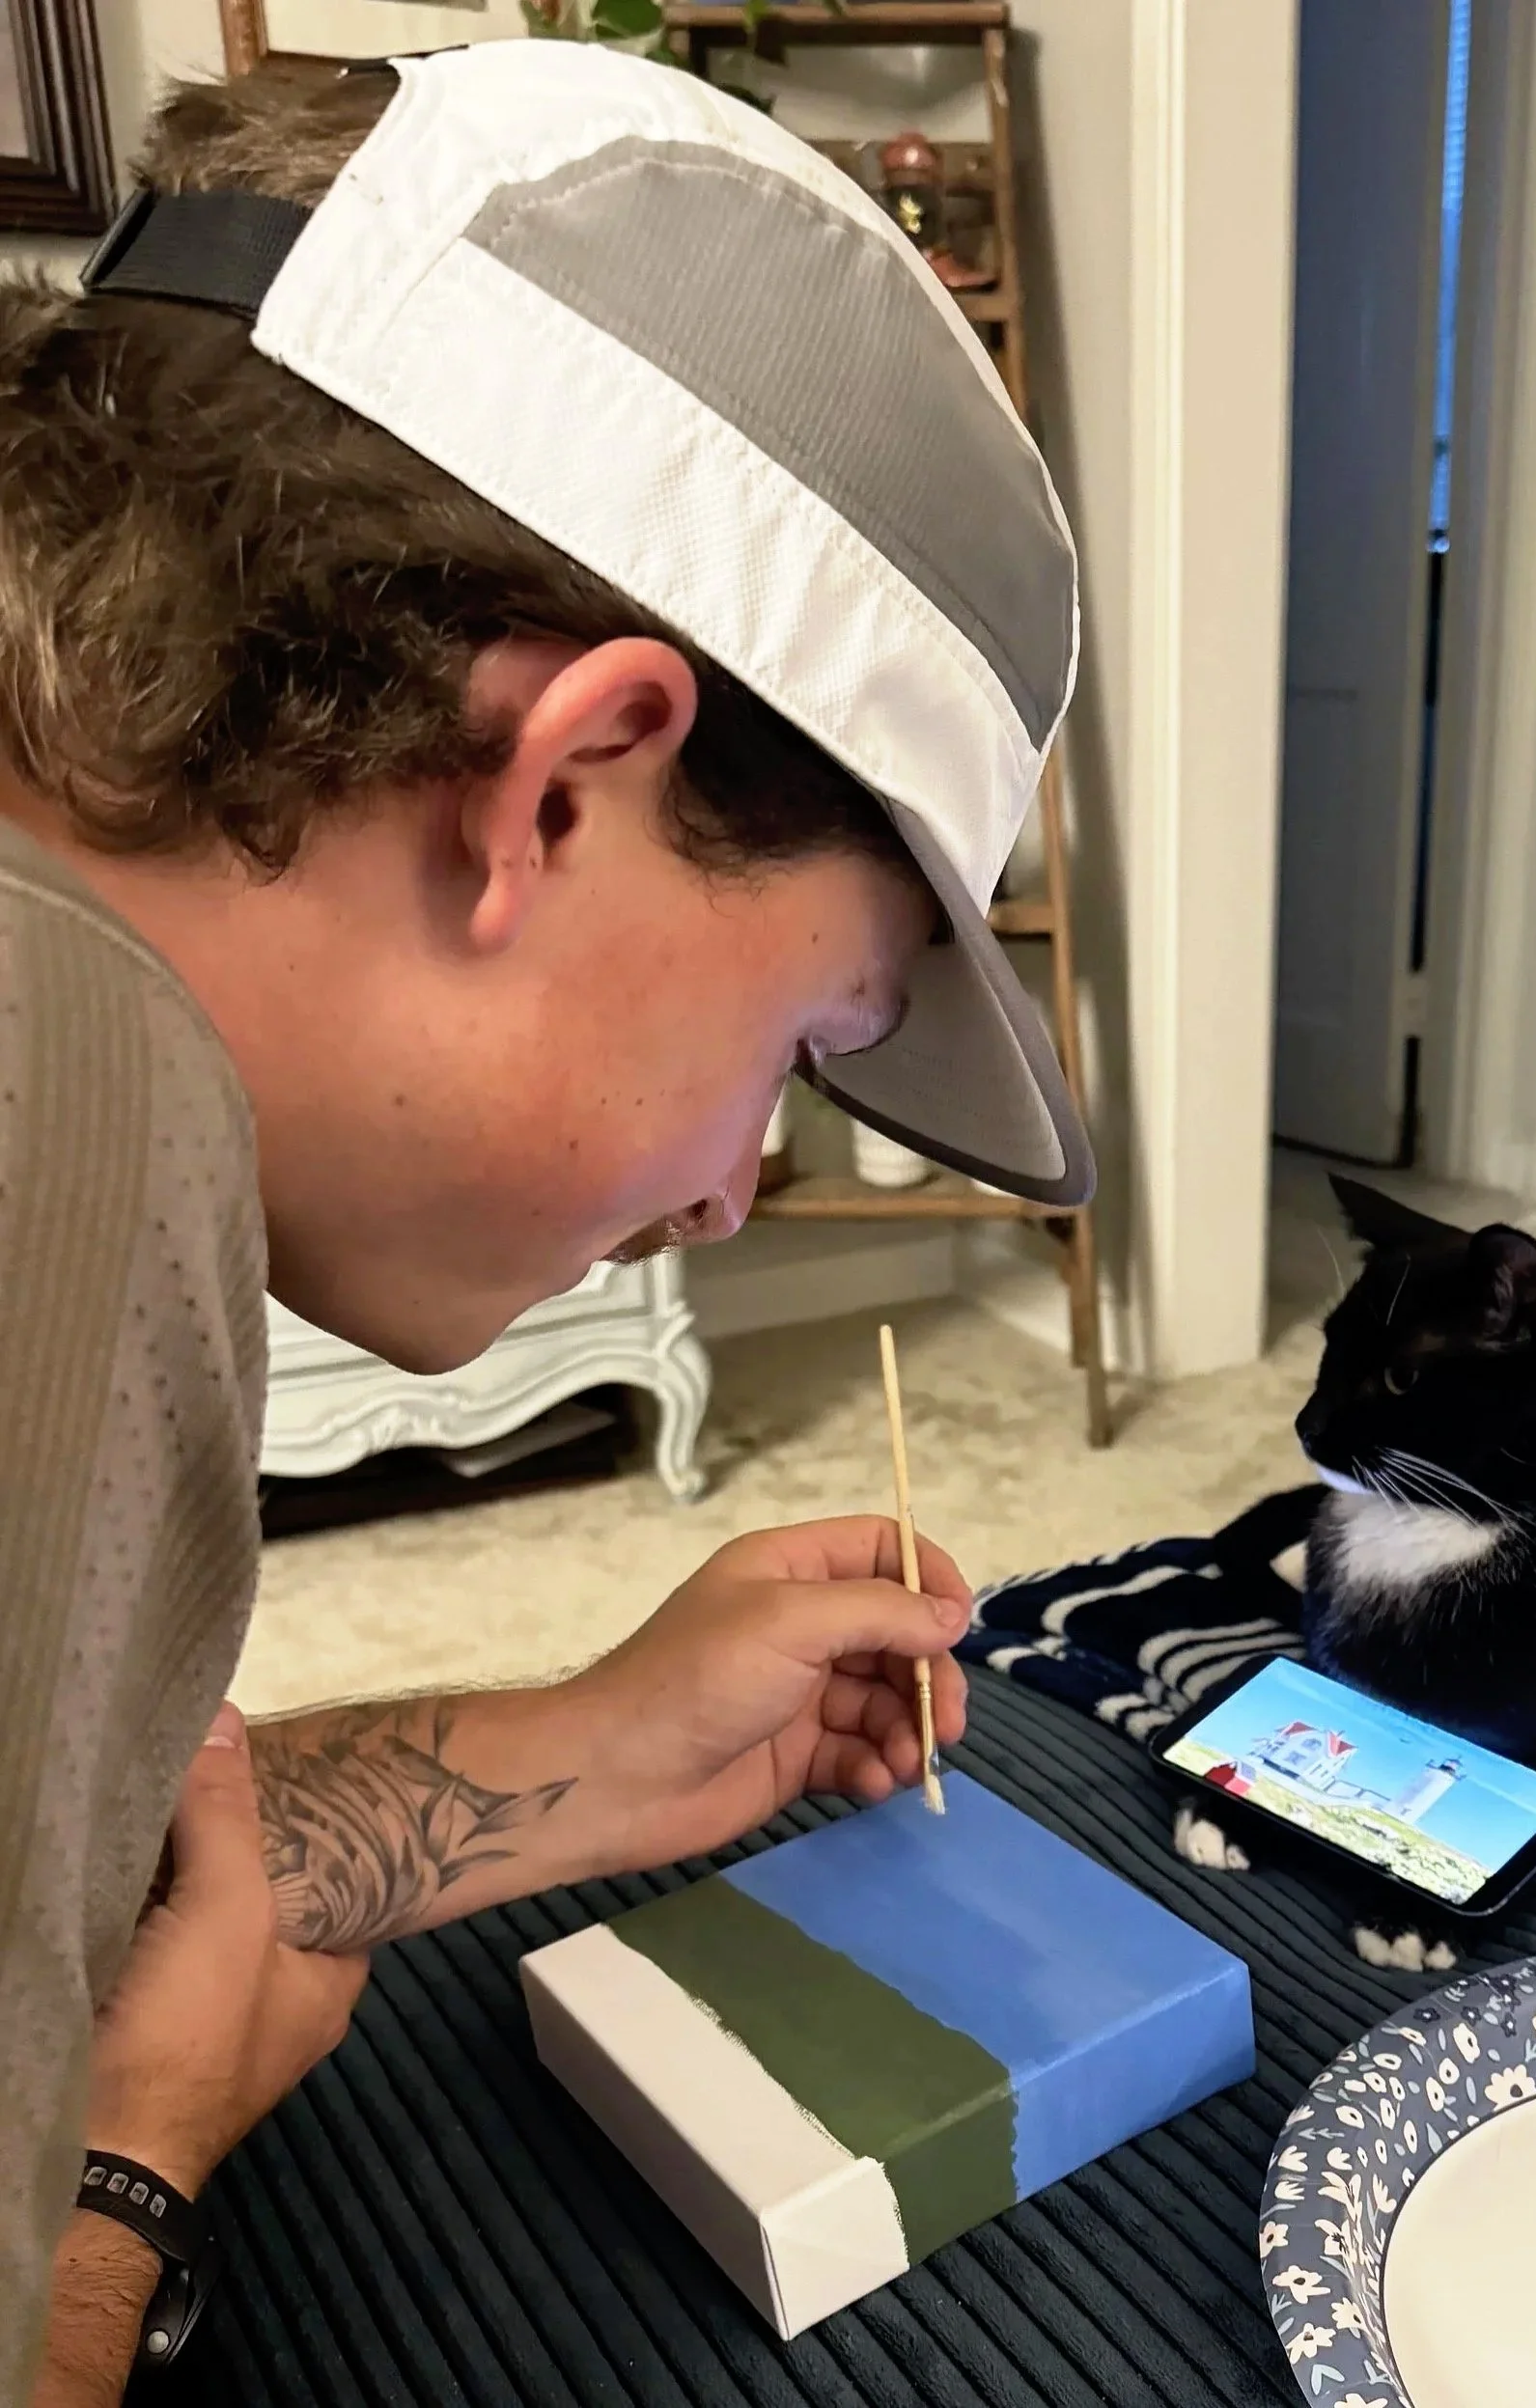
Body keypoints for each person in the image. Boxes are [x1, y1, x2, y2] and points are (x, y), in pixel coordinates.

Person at [0, 42, 1089, 2405]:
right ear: (568, 782)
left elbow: (74, 1872)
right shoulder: (54, 1095)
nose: (728, 1185)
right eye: (813, 1035)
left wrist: (592, 1749)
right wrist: (125, 2173)